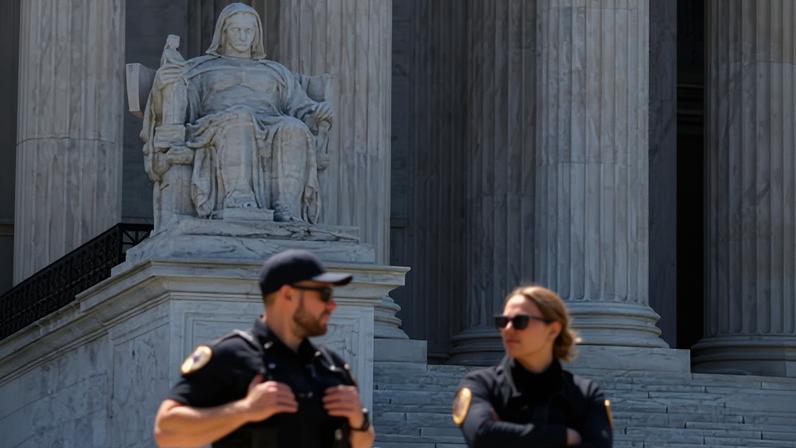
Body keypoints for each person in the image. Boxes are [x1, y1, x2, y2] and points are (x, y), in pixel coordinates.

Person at [153, 249, 374, 448]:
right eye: (323, 294)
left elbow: (363, 443)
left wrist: (359, 421)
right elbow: (166, 431)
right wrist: (245, 410)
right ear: (288, 294)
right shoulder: (231, 356)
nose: (332, 305)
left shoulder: (331, 365)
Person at [143, 3, 331, 223]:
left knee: (294, 127)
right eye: (236, 30)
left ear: (256, 34)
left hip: (270, 125)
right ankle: (238, 196)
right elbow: (177, 105)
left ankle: (287, 206)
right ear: (224, 33)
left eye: (248, 30)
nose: (243, 36)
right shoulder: (200, 68)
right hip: (214, 127)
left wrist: (318, 112)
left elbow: (301, 107)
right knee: (241, 118)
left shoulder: (277, 72)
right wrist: (163, 84)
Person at [452, 285, 612, 447]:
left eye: (520, 321)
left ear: (553, 330)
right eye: (503, 321)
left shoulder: (586, 394)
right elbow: (482, 435)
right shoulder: (481, 385)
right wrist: (563, 436)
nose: (507, 329)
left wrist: (505, 436)